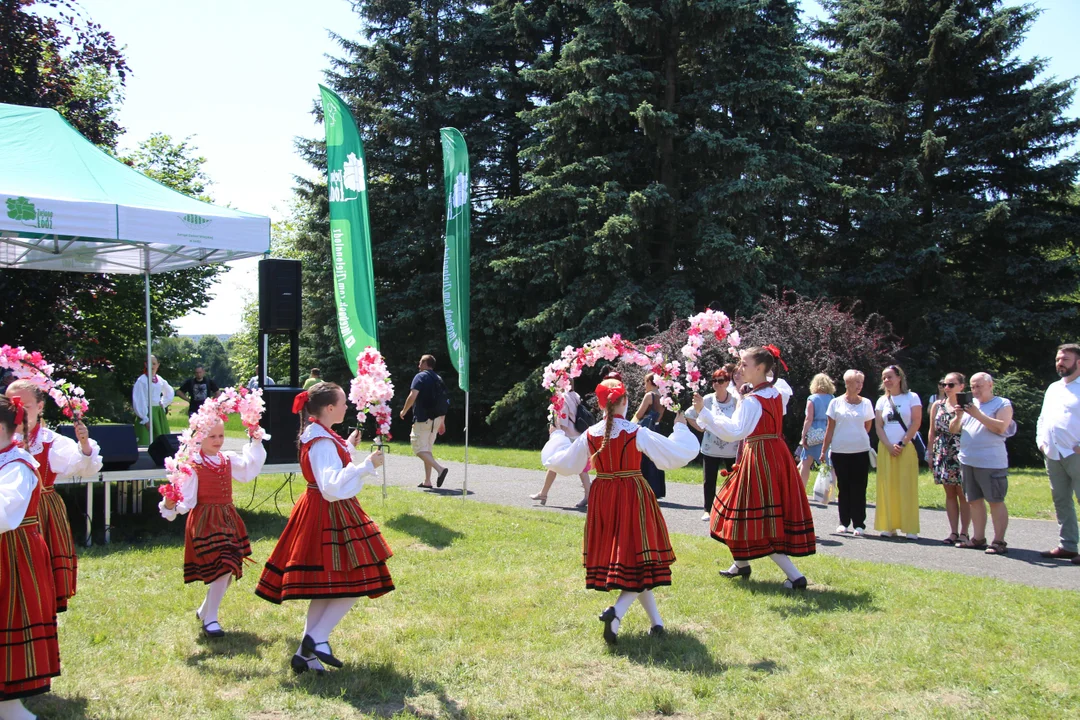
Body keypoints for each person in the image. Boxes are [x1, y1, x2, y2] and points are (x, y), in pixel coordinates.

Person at [542, 378, 699, 644]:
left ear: (601, 404)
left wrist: (557, 436)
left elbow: (565, 464)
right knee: (638, 559)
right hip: (632, 495)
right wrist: (681, 429)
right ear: (625, 401)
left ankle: (657, 623)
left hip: (604, 497)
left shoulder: (590, 434)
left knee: (634, 561)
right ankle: (617, 613)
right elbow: (673, 455)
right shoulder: (634, 431)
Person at [255, 382, 392, 673]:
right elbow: (330, 485)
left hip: (324, 509)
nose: (346, 407)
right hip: (327, 512)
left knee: (327, 586)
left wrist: (349, 447)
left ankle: (305, 654)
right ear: (329, 408)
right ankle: (317, 638)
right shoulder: (321, 441)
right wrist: (366, 466)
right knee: (359, 576)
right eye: (343, 403)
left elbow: (330, 468)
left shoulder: (321, 434)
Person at [693, 346, 816, 589]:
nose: (740, 369)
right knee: (737, 509)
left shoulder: (754, 400)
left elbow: (736, 432)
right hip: (775, 455)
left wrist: (703, 413)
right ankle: (741, 563)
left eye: (744, 364)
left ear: (760, 368)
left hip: (759, 458)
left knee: (753, 517)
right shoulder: (773, 393)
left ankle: (795, 576)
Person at [159, 418, 266, 638]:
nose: (218, 441)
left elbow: (247, 470)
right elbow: (187, 499)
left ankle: (205, 611)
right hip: (205, 520)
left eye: (221, 436)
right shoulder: (193, 465)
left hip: (227, 518)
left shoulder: (226, 459)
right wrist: (170, 506)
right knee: (224, 565)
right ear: (199, 438)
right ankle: (211, 619)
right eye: (212, 437)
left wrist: (256, 442)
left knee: (227, 569)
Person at [5, 380, 101, 613]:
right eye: (10, 405)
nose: (17, 412)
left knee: (36, 572)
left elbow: (86, 468)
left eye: (24, 406)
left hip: (40, 511)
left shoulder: (50, 441)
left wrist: (85, 443)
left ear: (40, 407)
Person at [0, 394, 61, 720]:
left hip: (14, 557)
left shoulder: (18, 465)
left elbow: (5, 514)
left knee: (9, 622)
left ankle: (14, 711)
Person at [949, 373, 1014, 555]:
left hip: (991, 462)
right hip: (968, 460)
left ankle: (999, 541)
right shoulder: (970, 405)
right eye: (973, 387)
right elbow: (954, 430)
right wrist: (959, 416)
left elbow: (1001, 427)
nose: (975, 390)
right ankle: (978, 538)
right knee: (974, 501)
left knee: (995, 501)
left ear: (990, 385)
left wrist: (976, 414)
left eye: (979, 386)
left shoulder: (1002, 404)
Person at [1037, 343, 1080, 563]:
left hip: (1076, 454)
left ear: (1078, 362)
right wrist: (1041, 443)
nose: (1059, 363)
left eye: (1065, 359)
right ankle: (1068, 545)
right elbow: (1043, 418)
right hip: (1053, 453)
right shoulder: (1053, 387)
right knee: (1061, 500)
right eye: (1057, 359)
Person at [819, 370, 875, 535]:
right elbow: (830, 429)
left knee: (859, 487)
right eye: (856, 382)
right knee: (843, 487)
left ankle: (859, 524)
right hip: (839, 451)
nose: (859, 386)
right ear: (847, 383)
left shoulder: (866, 403)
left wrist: (856, 437)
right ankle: (844, 522)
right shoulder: (835, 403)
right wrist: (824, 450)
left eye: (861, 382)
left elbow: (867, 426)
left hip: (860, 450)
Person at [874, 365, 922, 539]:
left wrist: (902, 443)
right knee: (888, 486)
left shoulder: (912, 397)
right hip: (886, 448)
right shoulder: (881, 401)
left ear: (899, 378)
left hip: (906, 447)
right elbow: (879, 426)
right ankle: (888, 526)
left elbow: (916, 422)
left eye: (890, 377)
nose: (887, 380)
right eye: (884, 378)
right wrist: (887, 445)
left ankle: (910, 527)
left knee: (907, 486)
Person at [685, 367, 739, 521]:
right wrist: (702, 429)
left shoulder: (736, 400)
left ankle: (731, 508)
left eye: (720, 381)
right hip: (710, 448)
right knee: (709, 480)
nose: (717, 384)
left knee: (733, 480)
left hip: (732, 448)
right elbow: (689, 414)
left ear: (728, 382)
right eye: (714, 381)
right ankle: (707, 509)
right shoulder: (707, 400)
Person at [530, 384, 591, 508]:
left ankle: (544, 493)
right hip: (578, 435)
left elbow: (563, 419)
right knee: (581, 467)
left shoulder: (563, 398)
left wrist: (556, 432)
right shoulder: (575, 396)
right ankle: (588, 495)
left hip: (567, 436)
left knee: (553, 462)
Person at [927, 373, 970, 545]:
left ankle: (964, 533)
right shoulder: (938, 405)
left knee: (963, 493)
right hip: (943, 451)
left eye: (951, 384)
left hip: (962, 450)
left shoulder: (967, 406)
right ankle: (953, 532)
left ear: (961, 386)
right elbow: (932, 430)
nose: (946, 387)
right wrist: (929, 453)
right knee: (950, 493)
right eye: (944, 384)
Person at [399, 355, 449, 489]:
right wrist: (442, 421)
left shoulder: (420, 377)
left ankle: (440, 469)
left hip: (423, 419)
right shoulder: (439, 379)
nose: (418, 364)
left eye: (420, 362)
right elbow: (444, 401)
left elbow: (412, 395)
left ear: (426, 363)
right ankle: (427, 481)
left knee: (418, 449)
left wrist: (404, 411)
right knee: (427, 449)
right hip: (437, 419)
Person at [633, 373, 667, 499]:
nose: (644, 385)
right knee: (655, 458)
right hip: (656, 428)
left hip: (646, 429)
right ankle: (656, 489)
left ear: (650, 382)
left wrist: (631, 424)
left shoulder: (650, 396)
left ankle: (645, 488)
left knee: (644, 458)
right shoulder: (663, 396)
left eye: (645, 382)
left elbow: (639, 414)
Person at [798, 373, 835, 485]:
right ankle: (830, 491)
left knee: (806, 462)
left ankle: (802, 490)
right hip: (828, 430)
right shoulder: (832, 399)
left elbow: (808, 419)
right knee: (830, 464)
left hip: (814, 432)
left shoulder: (812, 399)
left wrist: (803, 435)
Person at [132, 355, 174, 446]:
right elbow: (139, 399)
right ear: (146, 364)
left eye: (154, 364)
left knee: (160, 440)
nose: (152, 366)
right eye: (150, 363)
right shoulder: (142, 380)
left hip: (157, 413)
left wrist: (163, 403)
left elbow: (169, 392)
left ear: (158, 365)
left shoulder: (159, 379)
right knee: (146, 440)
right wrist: (144, 418)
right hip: (146, 412)